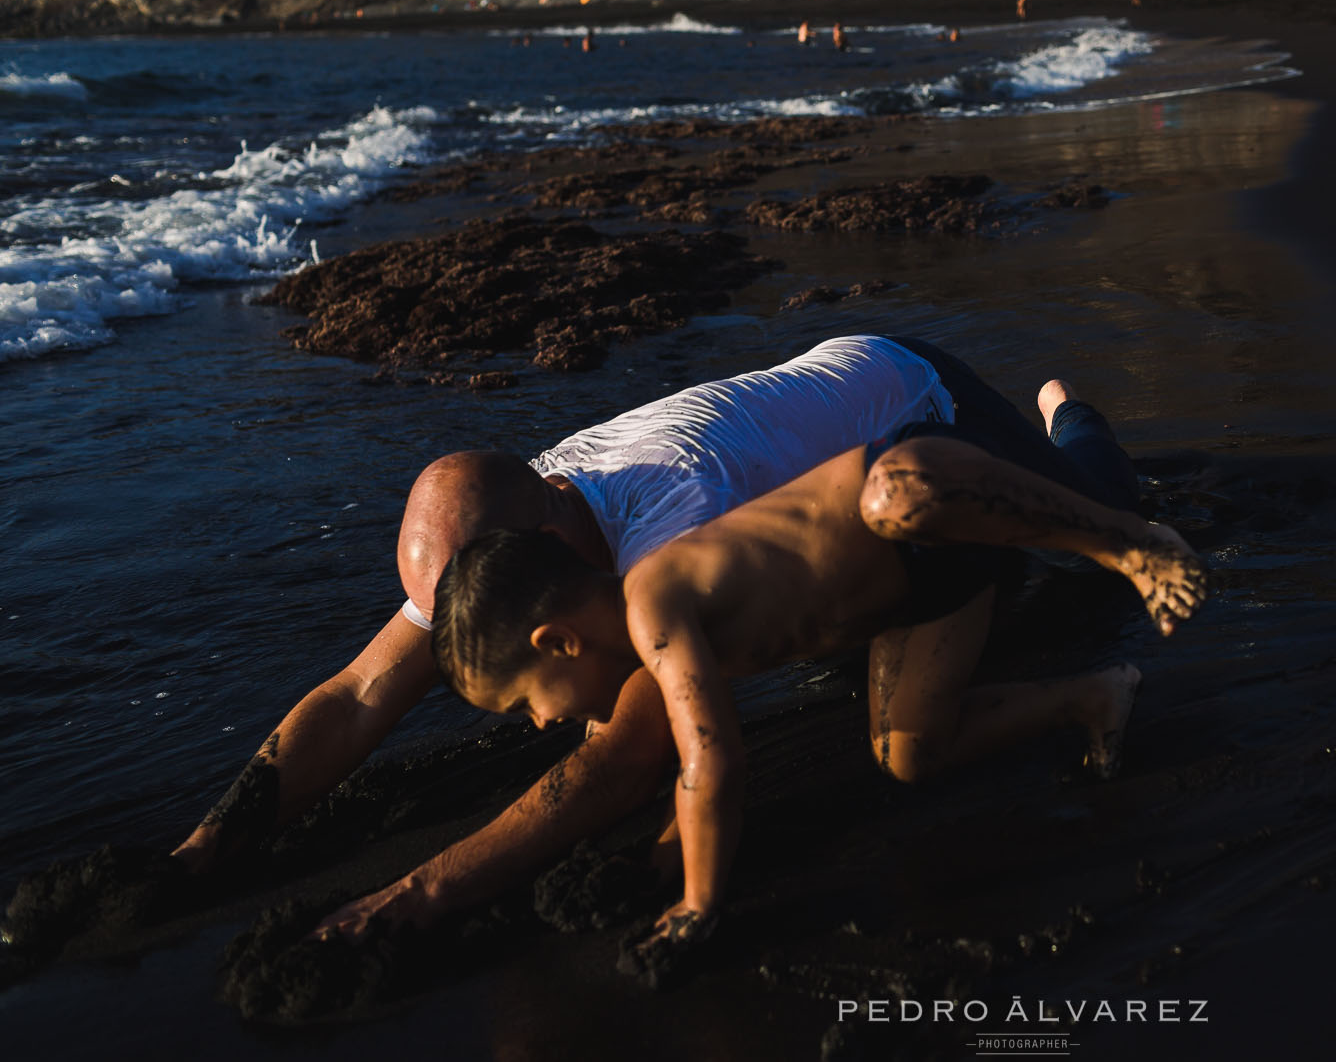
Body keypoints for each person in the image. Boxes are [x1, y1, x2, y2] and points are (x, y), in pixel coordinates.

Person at [171, 337, 976, 938]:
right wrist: (207, 845)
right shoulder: (514, 513)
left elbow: (627, 757)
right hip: (831, 394)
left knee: (906, 725)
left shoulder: (670, 527)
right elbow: (357, 695)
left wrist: (410, 896)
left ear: (540, 550)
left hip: (936, 418)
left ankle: (1063, 420)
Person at [431, 373, 1206, 968]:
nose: (541, 723)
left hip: (926, 483)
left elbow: (713, 762)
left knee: (900, 493)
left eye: (523, 703)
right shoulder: (649, 636)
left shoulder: (652, 604)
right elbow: (700, 766)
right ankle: (1096, 697)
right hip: (929, 596)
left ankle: (1126, 533)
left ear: (558, 641)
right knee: (907, 752)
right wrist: (660, 860)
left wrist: (700, 904)